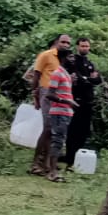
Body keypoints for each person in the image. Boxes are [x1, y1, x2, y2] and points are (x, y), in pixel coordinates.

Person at [23, 33, 73, 177]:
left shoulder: (64, 60)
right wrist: (35, 95)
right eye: (63, 42)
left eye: (68, 43)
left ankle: (47, 164)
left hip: (59, 96)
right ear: (57, 42)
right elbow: (36, 75)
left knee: (55, 130)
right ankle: (36, 164)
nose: (65, 45)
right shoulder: (46, 55)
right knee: (48, 128)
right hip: (47, 93)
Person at [63, 37, 103, 172]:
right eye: (82, 46)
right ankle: (69, 157)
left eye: (87, 46)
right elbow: (78, 79)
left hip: (88, 101)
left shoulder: (90, 63)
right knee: (73, 130)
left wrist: (88, 79)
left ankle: (77, 157)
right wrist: (88, 79)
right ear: (77, 47)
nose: (85, 48)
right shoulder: (72, 61)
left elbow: (98, 80)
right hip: (75, 100)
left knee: (84, 131)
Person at [41, 52, 76, 183]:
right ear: (63, 58)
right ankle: (52, 172)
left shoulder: (66, 74)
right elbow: (49, 94)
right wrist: (67, 102)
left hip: (66, 112)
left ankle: (53, 170)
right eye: (70, 56)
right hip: (59, 112)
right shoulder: (57, 73)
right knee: (57, 141)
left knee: (60, 141)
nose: (73, 59)